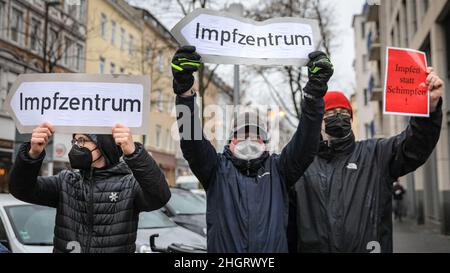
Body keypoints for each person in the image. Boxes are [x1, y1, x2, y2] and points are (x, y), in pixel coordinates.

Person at [171, 46, 333, 252]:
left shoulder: (279, 169)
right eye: (242, 135)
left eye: (255, 135)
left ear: (265, 141)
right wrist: (184, 92)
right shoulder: (216, 169)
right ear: (230, 140)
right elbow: (191, 140)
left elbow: (306, 143)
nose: (249, 140)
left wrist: (314, 95)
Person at [289, 68, 444, 253]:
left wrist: (428, 110)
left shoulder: (375, 154)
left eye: (343, 112)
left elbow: (413, 146)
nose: (338, 116)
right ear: (319, 120)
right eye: (330, 112)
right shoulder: (302, 165)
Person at [9, 123, 171, 253]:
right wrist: (32, 155)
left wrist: (134, 153)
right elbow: (20, 189)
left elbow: (160, 196)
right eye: (74, 141)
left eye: (82, 141)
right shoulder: (66, 181)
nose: (76, 147)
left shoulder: (128, 184)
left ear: (103, 145)